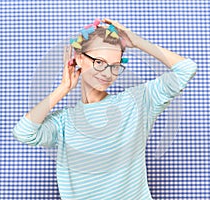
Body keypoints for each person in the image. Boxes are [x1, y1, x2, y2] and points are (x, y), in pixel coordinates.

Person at [12, 18, 197, 199]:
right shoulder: (64, 122)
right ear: (78, 59)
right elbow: (24, 132)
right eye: (99, 62)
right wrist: (63, 88)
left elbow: (186, 69)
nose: (108, 74)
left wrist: (138, 42)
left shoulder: (137, 103)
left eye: (115, 66)